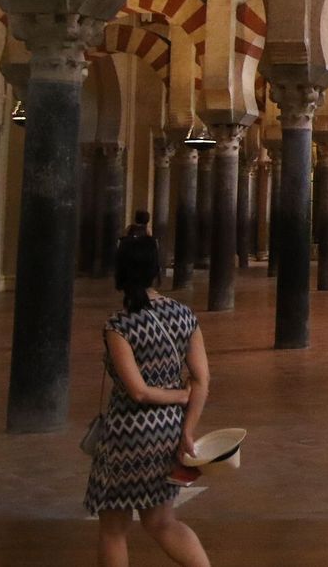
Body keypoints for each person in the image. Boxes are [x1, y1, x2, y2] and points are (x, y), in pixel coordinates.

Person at [86, 212, 212, 567]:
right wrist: (187, 429)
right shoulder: (185, 315)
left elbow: (138, 392)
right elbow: (201, 378)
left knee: (113, 528)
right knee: (162, 522)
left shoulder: (120, 326)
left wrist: (176, 395)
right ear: (157, 270)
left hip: (126, 436)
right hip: (169, 432)